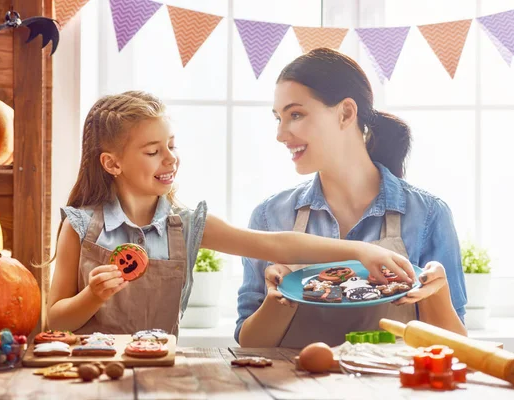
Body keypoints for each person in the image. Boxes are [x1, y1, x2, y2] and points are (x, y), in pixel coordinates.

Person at [45, 91, 414, 337]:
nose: (170, 158)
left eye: (171, 146)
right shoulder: (80, 226)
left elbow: (275, 245)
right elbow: (54, 320)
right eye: (152, 150)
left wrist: (361, 251)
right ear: (112, 163)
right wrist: (91, 296)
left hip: (158, 373)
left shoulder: (186, 226)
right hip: (84, 378)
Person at [236, 48, 467, 349]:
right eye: (278, 118)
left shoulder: (427, 215)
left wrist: (437, 292)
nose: (281, 133)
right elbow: (248, 344)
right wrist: (280, 298)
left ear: (346, 113)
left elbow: (457, 348)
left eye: (295, 114)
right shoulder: (270, 217)